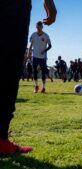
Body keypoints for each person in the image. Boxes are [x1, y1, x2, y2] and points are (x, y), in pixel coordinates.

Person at [0, 0, 56, 155]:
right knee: (9, 64)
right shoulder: (33, 35)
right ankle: (1, 140)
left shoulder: (45, 36)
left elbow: (48, 45)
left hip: (41, 57)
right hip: (14, 7)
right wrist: (49, 4)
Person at [28, 21, 53, 93]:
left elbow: (50, 46)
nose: (38, 27)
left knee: (43, 72)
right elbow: (31, 45)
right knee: (34, 71)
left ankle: (44, 88)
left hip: (43, 57)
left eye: (40, 26)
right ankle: (36, 86)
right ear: (36, 27)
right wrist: (29, 53)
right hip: (35, 56)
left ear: (42, 27)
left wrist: (44, 50)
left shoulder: (46, 36)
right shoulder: (33, 35)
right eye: (37, 26)